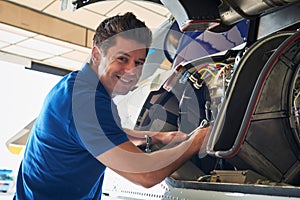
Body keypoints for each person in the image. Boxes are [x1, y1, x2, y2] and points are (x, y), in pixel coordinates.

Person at [14, 12, 210, 199]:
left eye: (139, 62)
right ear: (97, 54)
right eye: (122, 59)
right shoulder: (83, 101)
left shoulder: (78, 87)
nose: (131, 71)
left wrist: (158, 136)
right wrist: (197, 141)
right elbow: (146, 174)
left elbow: (109, 133)